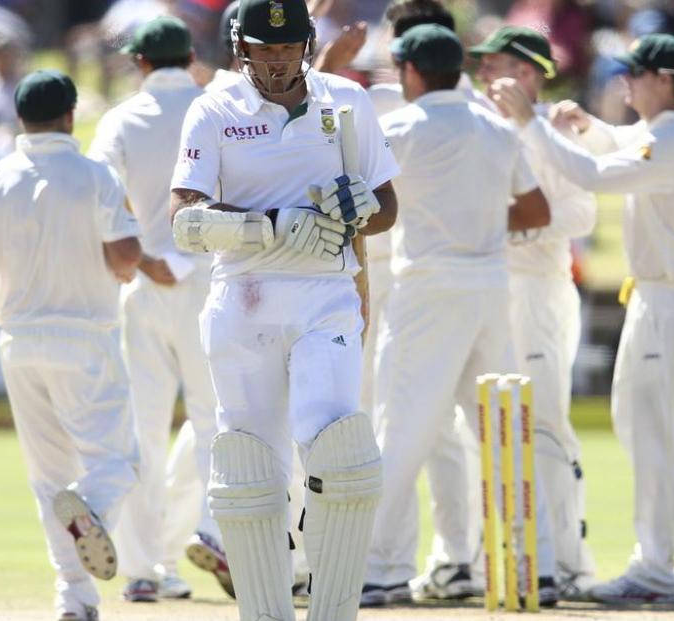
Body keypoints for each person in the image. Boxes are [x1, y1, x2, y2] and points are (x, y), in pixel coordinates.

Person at [492, 33, 674, 605]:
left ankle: (655, 569)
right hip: (659, 297)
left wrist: (532, 124)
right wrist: (587, 126)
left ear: (663, 79)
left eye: (635, 73)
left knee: (655, 430)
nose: (624, 82)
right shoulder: (658, 134)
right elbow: (618, 145)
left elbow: (597, 176)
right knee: (637, 422)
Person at [169, 0, 399, 619]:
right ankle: (266, 609)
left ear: (306, 44)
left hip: (327, 295)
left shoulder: (348, 101)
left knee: (337, 449)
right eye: (263, 50)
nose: (275, 61)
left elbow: (388, 205)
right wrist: (269, 225)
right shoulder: (213, 109)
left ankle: (332, 606)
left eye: (286, 48)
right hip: (244, 300)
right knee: (251, 464)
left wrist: (356, 212)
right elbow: (185, 219)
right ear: (241, 48)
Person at [0, 69, 141, 621]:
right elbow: (125, 260)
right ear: (71, 115)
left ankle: (74, 597)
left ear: (20, 119)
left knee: (48, 476)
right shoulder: (95, 176)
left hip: (19, 342)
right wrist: (124, 257)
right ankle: (91, 510)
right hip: (86, 338)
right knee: (117, 461)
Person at [362, 24, 551, 607]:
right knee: (501, 433)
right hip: (489, 288)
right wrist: (479, 221)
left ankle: (379, 569)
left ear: (412, 71)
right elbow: (537, 208)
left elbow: (362, 202)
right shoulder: (496, 129)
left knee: (401, 429)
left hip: (427, 292)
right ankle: (527, 569)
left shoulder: (397, 128)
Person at [87, 16, 229, 602]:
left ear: (141, 63)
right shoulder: (221, 110)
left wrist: (145, 260)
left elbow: (98, 197)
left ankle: (145, 569)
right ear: (189, 56)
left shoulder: (122, 118)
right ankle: (212, 535)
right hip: (214, 279)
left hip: (147, 285)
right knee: (215, 421)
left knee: (144, 428)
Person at [471, 25, 598, 598]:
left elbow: (581, 218)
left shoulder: (552, 131)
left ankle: (568, 561)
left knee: (544, 423)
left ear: (527, 73)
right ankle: (488, 560)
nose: (480, 73)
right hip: (487, 289)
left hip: (540, 289)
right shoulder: (477, 126)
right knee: (482, 427)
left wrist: (514, 227)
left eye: (492, 64)